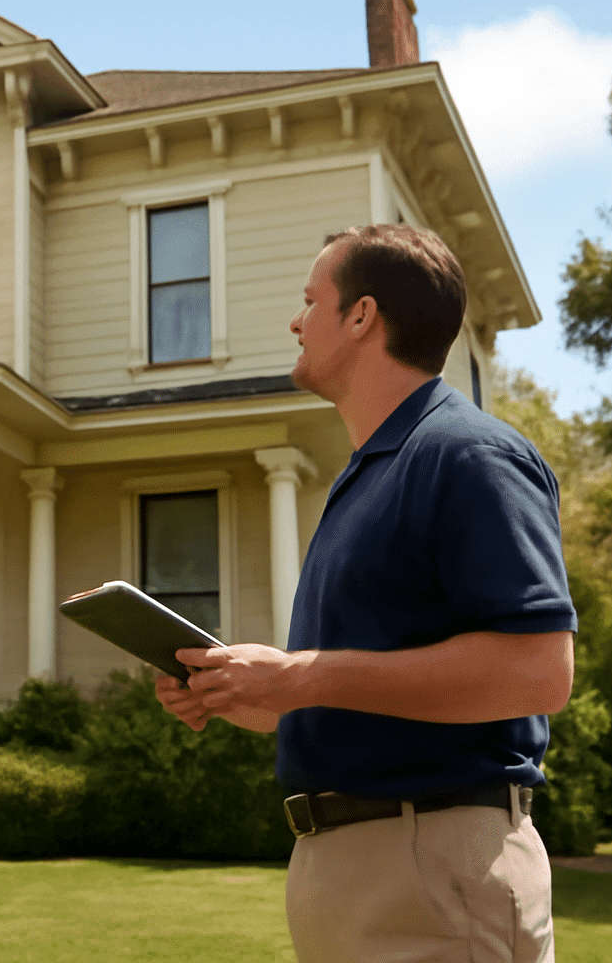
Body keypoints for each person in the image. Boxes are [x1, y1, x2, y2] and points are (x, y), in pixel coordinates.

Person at [156, 224, 576, 963]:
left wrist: (306, 674)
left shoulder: (468, 454)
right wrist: (251, 693)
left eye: (310, 299)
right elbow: (365, 691)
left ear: (361, 316)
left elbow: (538, 671)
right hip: (347, 867)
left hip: (437, 864)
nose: (295, 320)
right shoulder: (366, 477)